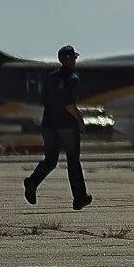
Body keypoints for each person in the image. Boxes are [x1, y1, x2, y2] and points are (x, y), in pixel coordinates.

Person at [24, 45, 91, 210]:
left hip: (48, 124)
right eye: (74, 58)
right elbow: (69, 105)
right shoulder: (74, 78)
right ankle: (79, 197)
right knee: (73, 160)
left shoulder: (50, 77)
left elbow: (44, 100)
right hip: (66, 126)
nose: (75, 60)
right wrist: (80, 120)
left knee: (50, 160)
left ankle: (32, 182)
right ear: (71, 59)